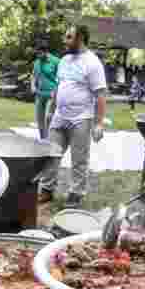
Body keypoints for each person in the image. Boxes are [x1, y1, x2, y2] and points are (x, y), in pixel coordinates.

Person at [38, 25, 107, 207]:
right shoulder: (64, 60)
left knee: (79, 160)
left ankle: (76, 194)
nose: (65, 40)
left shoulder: (92, 63)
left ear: (80, 38)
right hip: (60, 116)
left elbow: (100, 94)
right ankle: (47, 189)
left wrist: (99, 124)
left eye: (69, 37)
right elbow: (59, 86)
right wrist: (51, 110)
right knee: (51, 154)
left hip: (81, 118)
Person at [31, 44, 60, 139]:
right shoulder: (37, 62)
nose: (38, 56)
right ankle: (43, 139)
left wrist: (56, 91)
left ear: (46, 52)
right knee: (39, 118)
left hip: (52, 94)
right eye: (37, 54)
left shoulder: (56, 61)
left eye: (39, 53)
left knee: (48, 117)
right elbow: (34, 76)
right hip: (39, 94)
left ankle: (48, 139)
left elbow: (62, 78)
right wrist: (33, 85)